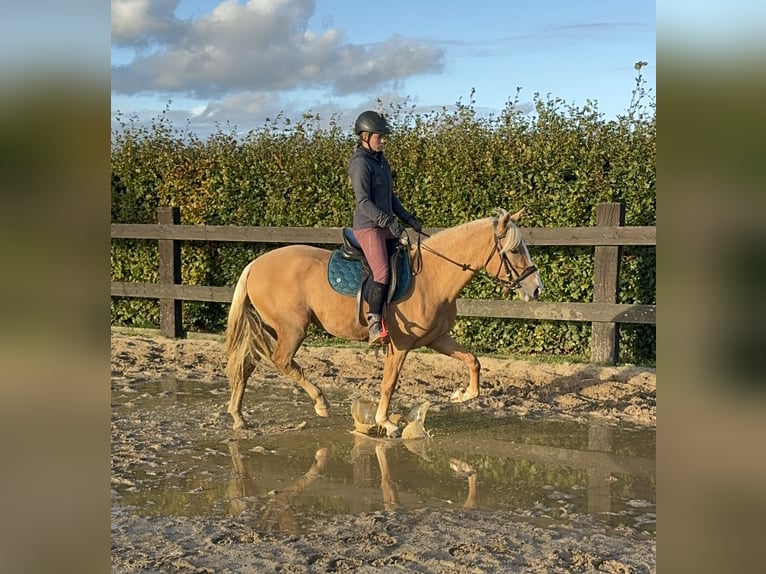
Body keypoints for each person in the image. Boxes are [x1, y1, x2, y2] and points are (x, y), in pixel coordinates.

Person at [349, 110, 422, 345]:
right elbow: (363, 202)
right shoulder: (361, 163)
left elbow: (389, 196)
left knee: (407, 260)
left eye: (383, 136)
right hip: (369, 226)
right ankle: (373, 322)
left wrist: (407, 218)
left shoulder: (381, 161)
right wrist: (389, 222)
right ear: (365, 136)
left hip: (384, 225)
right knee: (381, 273)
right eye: (379, 136)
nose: (383, 140)